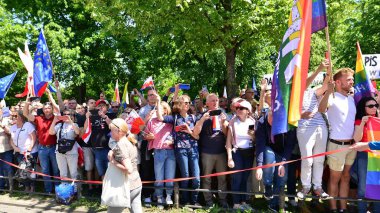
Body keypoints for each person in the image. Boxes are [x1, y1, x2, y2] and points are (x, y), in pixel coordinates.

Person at [319, 68, 357, 213]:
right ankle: (333, 208)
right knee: (335, 179)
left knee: (346, 177)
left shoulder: (351, 98)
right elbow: (321, 109)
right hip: (336, 145)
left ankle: (343, 208)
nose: (352, 81)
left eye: (352, 79)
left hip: (351, 146)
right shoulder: (332, 97)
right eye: (349, 79)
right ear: (338, 82)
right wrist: (328, 91)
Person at [157, 94, 200, 206]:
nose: (187, 105)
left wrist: (189, 131)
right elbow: (161, 118)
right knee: (185, 176)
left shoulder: (194, 117)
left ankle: (194, 201)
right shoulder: (175, 118)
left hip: (193, 149)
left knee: (196, 178)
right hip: (180, 150)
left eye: (189, 102)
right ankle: (185, 202)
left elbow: (197, 136)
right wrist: (158, 102)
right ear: (180, 105)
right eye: (185, 103)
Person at [296, 59, 330, 200]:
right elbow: (304, 84)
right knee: (307, 160)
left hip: (320, 126)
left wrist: (328, 73)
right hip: (304, 127)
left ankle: (317, 187)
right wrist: (319, 68)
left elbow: (323, 88)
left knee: (319, 159)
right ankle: (305, 187)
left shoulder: (313, 92)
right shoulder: (296, 91)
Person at [193, 93, 229, 208]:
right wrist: (202, 120)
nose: (215, 102)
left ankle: (222, 200)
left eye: (217, 100)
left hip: (221, 152)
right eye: (212, 100)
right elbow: (195, 133)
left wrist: (223, 123)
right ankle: (208, 201)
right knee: (206, 178)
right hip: (207, 152)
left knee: (222, 178)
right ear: (207, 103)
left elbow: (227, 133)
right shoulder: (202, 115)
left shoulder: (223, 114)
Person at [106, 118, 142, 213]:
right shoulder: (129, 141)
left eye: (112, 130)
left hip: (125, 186)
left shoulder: (120, 146)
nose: (110, 133)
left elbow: (128, 169)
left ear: (118, 131)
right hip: (136, 183)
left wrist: (112, 161)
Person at [351, 97, 380, 213]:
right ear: (364, 108)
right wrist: (363, 122)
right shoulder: (359, 121)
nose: (374, 108)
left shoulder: (378, 120)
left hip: (377, 157)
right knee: (362, 187)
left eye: (376, 105)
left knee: (378, 186)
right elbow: (356, 139)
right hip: (364, 156)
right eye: (370, 106)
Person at [23, 101, 59, 193]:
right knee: (45, 170)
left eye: (49, 108)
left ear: (52, 109)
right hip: (42, 148)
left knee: (56, 170)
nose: (47, 110)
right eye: (45, 108)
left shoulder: (56, 118)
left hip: (54, 147)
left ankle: (58, 190)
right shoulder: (38, 118)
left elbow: (59, 109)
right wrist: (27, 103)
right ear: (42, 110)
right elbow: (25, 114)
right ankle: (48, 191)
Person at [145, 101, 175, 209]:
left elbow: (177, 135)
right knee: (159, 177)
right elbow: (145, 135)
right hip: (158, 152)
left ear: (166, 110)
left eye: (160, 108)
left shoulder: (171, 120)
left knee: (170, 177)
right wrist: (149, 137)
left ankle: (168, 196)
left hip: (171, 152)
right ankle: (159, 197)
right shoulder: (152, 121)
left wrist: (173, 141)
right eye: (157, 109)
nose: (157, 110)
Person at [226, 100, 255, 211]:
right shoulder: (233, 122)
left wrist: (253, 136)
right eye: (237, 108)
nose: (238, 110)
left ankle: (243, 201)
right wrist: (229, 158)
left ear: (248, 111)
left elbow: (255, 140)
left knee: (244, 178)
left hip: (249, 152)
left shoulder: (252, 122)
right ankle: (236, 203)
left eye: (241, 108)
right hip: (237, 152)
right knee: (236, 178)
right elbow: (228, 142)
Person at [84, 99, 115, 180]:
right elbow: (85, 129)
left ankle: (110, 191)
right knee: (102, 172)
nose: (101, 107)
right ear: (96, 107)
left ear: (106, 107)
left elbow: (113, 126)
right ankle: (104, 190)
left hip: (108, 148)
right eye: (99, 106)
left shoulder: (111, 115)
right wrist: (87, 118)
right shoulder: (92, 116)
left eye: (103, 106)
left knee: (110, 172)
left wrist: (104, 117)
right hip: (96, 149)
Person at [9, 111, 38, 192]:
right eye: (12, 116)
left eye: (16, 116)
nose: (14, 117)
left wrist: (29, 149)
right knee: (22, 170)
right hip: (19, 152)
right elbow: (11, 140)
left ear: (21, 117)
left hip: (29, 152)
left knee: (30, 170)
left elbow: (34, 137)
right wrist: (15, 147)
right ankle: (26, 186)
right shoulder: (13, 127)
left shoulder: (28, 125)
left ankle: (32, 187)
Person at [49, 109, 80, 179]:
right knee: (63, 173)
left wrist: (70, 121)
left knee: (73, 172)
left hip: (72, 152)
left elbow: (77, 132)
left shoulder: (74, 125)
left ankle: (74, 189)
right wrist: (54, 121)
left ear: (72, 116)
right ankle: (64, 188)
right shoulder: (59, 125)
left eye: (68, 114)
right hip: (60, 151)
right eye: (65, 115)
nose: (66, 116)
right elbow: (51, 132)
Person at [0, 108, 13, 191]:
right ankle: (1, 186)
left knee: (8, 168)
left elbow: (10, 132)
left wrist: (2, 125)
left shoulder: (7, 120)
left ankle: (10, 187)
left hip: (7, 149)